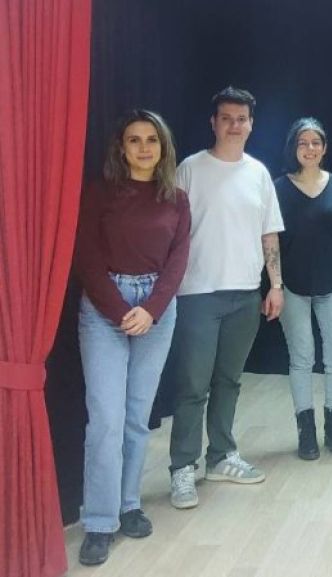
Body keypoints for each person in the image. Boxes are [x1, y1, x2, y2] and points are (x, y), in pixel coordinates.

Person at [75, 110, 190, 565]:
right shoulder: (99, 193)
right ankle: (99, 521)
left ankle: (128, 505)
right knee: (106, 419)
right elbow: (86, 257)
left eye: (152, 140)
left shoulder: (177, 199)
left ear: (163, 147)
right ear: (121, 148)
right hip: (106, 309)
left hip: (156, 309)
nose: (144, 147)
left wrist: (152, 309)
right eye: (134, 140)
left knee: (137, 417)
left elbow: (178, 260)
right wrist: (122, 311)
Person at [164, 86, 285, 509]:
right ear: (213, 122)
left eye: (242, 118)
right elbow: (170, 230)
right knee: (193, 385)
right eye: (227, 118)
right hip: (197, 293)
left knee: (229, 381)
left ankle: (221, 456)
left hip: (245, 295)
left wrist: (275, 285)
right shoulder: (190, 169)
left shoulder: (258, 173)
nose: (235, 125)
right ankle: (183, 468)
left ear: (251, 124)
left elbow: (269, 234)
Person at [275, 118, 332, 460]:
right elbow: (271, 241)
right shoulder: (279, 187)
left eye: (316, 143)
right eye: (303, 143)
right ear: (293, 148)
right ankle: (305, 430)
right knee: (302, 358)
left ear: (324, 148)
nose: (310, 149)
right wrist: (275, 285)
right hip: (292, 286)